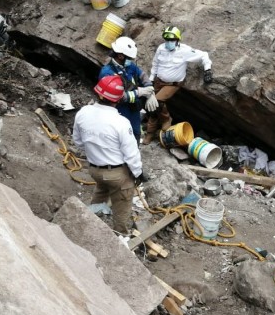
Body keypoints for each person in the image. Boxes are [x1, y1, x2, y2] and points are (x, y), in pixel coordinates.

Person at [72, 75, 145, 235]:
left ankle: (89, 226)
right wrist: (138, 173)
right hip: (116, 174)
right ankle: (121, 235)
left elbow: (78, 142)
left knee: (101, 190)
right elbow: (131, 154)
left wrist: (96, 152)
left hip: (95, 170)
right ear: (118, 100)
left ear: (98, 93)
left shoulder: (83, 112)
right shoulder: (120, 122)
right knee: (122, 205)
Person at [143, 26, 212, 144]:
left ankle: (164, 120)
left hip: (172, 84)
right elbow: (155, 63)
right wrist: (150, 81)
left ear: (177, 40)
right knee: (150, 106)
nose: (169, 43)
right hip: (158, 81)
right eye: (167, 40)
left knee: (157, 102)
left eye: (172, 40)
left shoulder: (184, 51)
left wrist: (207, 70)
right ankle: (151, 131)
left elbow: (203, 55)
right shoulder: (161, 48)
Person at [98, 36, 156, 142]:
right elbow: (117, 97)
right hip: (119, 111)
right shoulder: (107, 73)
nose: (131, 60)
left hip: (133, 110)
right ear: (120, 55)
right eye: (129, 58)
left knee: (135, 135)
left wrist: (149, 88)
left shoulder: (129, 66)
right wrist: (140, 92)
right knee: (122, 139)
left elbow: (141, 75)